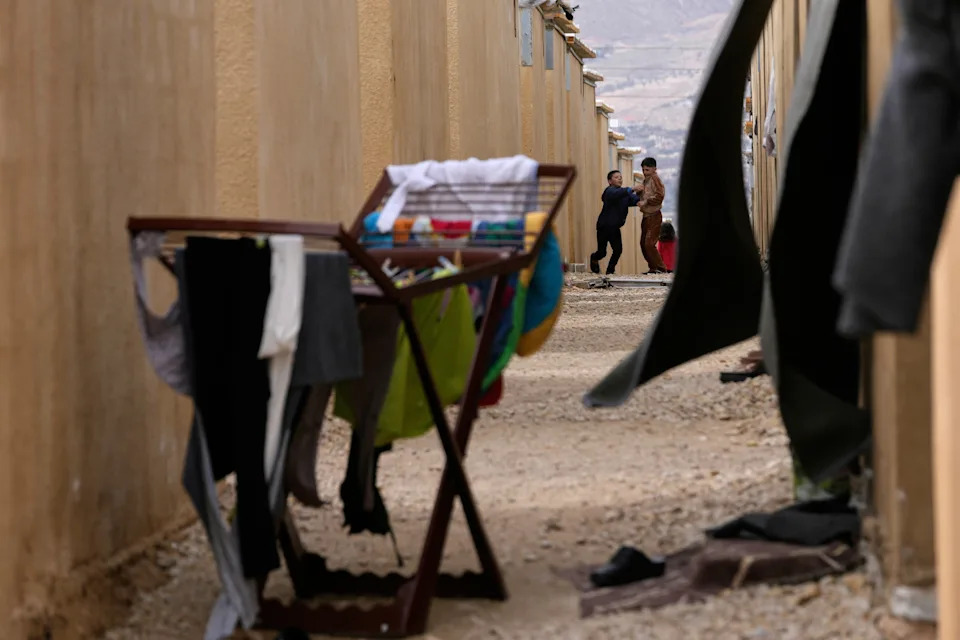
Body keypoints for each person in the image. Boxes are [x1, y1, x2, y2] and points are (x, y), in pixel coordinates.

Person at [590, 170, 642, 275]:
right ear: (610, 181)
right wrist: (632, 188)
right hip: (604, 227)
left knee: (618, 250)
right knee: (602, 252)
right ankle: (594, 258)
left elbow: (636, 199)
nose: (619, 179)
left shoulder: (625, 194)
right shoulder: (609, 191)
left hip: (614, 228)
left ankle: (610, 271)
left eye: (621, 177)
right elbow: (617, 193)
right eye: (616, 177)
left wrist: (643, 197)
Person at [637, 157, 669, 274]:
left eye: (647, 170)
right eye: (643, 170)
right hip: (646, 216)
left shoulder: (655, 179)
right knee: (643, 244)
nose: (645, 173)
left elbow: (659, 196)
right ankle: (653, 267)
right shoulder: (646, 180)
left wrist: (646, 201)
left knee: (649, 244)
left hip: (654, 215)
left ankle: (661, 268)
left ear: (654, 169)